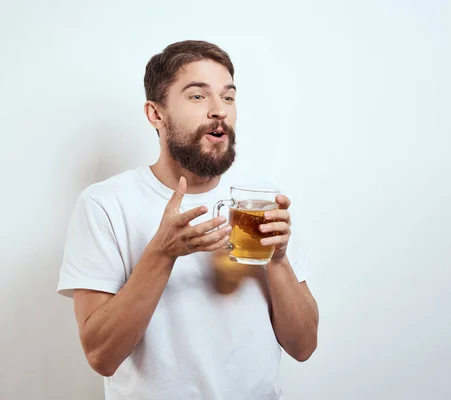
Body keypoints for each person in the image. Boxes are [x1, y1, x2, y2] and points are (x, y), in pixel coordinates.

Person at [56, 40, 319, 400]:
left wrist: (279, 260)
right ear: (155, 114)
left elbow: (303, 346)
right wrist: (162, 254)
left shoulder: (261, 200)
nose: (219, 111)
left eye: (228, 97)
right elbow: (101, 356)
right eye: (198, 96)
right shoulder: (105, 204)